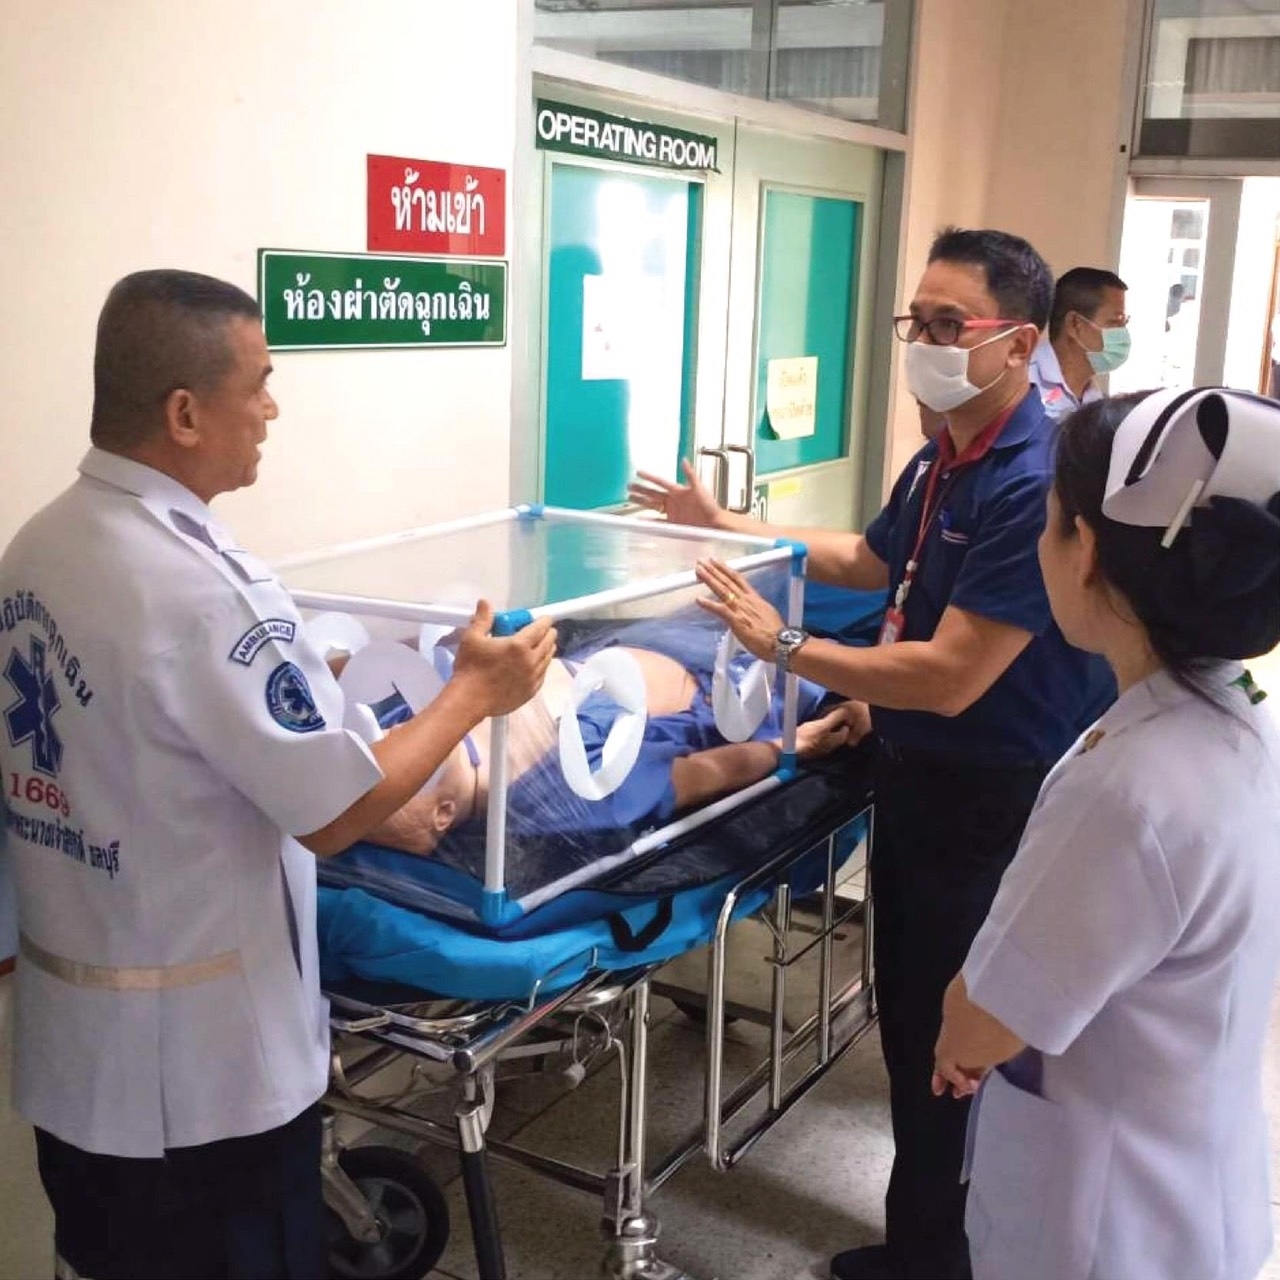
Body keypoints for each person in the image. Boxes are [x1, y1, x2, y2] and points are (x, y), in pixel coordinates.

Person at [0, 269, 556, 1280]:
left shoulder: (39, 548)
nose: (271, 407)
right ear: (183, 413)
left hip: (76, 1063)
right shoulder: (203, 588)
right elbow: (335, 812)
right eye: (258, 382)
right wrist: (473, 694)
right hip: (203, 1089)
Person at [630, 227, 1115, 1280]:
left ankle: (941, 1257)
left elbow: (949, 674)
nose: (925, 345)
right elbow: (870, 556)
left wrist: (786, 646)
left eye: (950, 325)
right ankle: (933, 1241)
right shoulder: (946, 454)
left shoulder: (1030, 476)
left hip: (988, 794)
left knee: (952, 1031)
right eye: (917, 323)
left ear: (1017, 342)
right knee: (915, 1017)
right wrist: (728, 523)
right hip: (922, 770)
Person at [934, 387, 1280, 1280]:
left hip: (1103, 1224)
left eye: (1048, 522)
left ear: (1083, 549)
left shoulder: (1128, 791)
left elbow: (985, 1022)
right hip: (1189, 1184)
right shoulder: (1239, 717)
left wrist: (959, 1034)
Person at [355, 619, 866, 859]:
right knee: (832, 674)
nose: (392, 739)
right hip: (716, 690)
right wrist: (790, 746)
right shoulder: (555, 798)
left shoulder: (424, 714)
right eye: (398, 775)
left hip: (628, 645)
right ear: (443, 813)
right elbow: (696, 775)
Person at [1028, 267, 1129, 423]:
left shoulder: (1095, 398)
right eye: (1115, 322)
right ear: (1075, 324)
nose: (1123, 333)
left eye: (1124, 323)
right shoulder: (1022, 380)